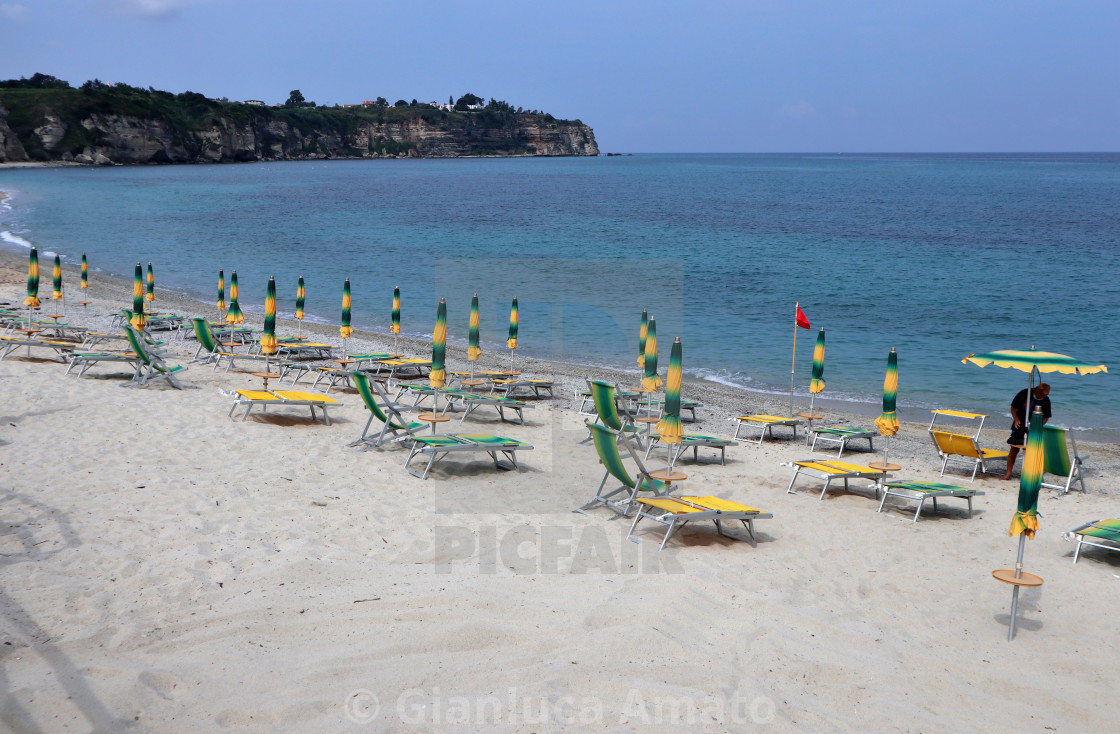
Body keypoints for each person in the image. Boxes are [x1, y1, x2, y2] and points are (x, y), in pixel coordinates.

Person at [1002, 383, 1051, 479]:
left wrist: (1038, 426)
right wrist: (1016, 419)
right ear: (1036, 390)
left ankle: (1029, 474)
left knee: (1030, 450)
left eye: (1045, 395)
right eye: (1041, 394)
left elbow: (1046, 417)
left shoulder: (1046, 400)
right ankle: (1008, 473)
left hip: (1033, 427)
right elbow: (1013, 407)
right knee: (1014, 449)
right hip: (1019, 424)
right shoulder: (1025, 393)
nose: (1042, 397)